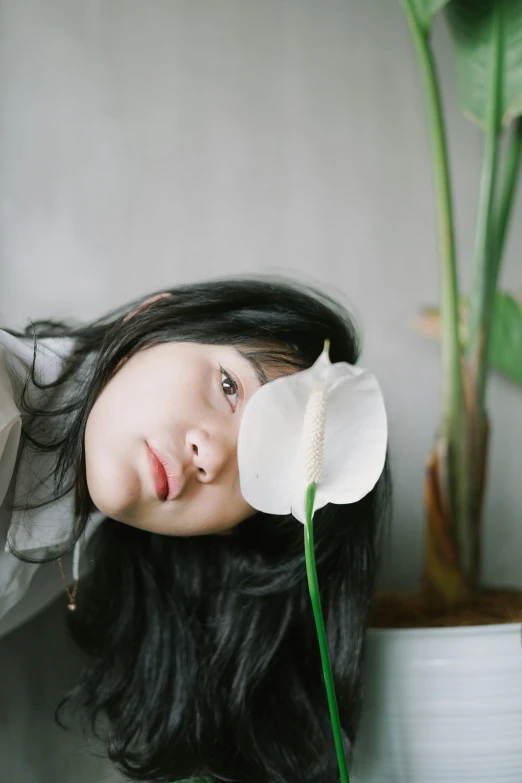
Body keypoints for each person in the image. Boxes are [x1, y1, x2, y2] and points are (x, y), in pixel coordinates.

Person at [0, 276, 391, 783]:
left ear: (228, 533)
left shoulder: (76, 544)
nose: (212, 453)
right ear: (150, 319)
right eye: (230, 385)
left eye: (258, 463)